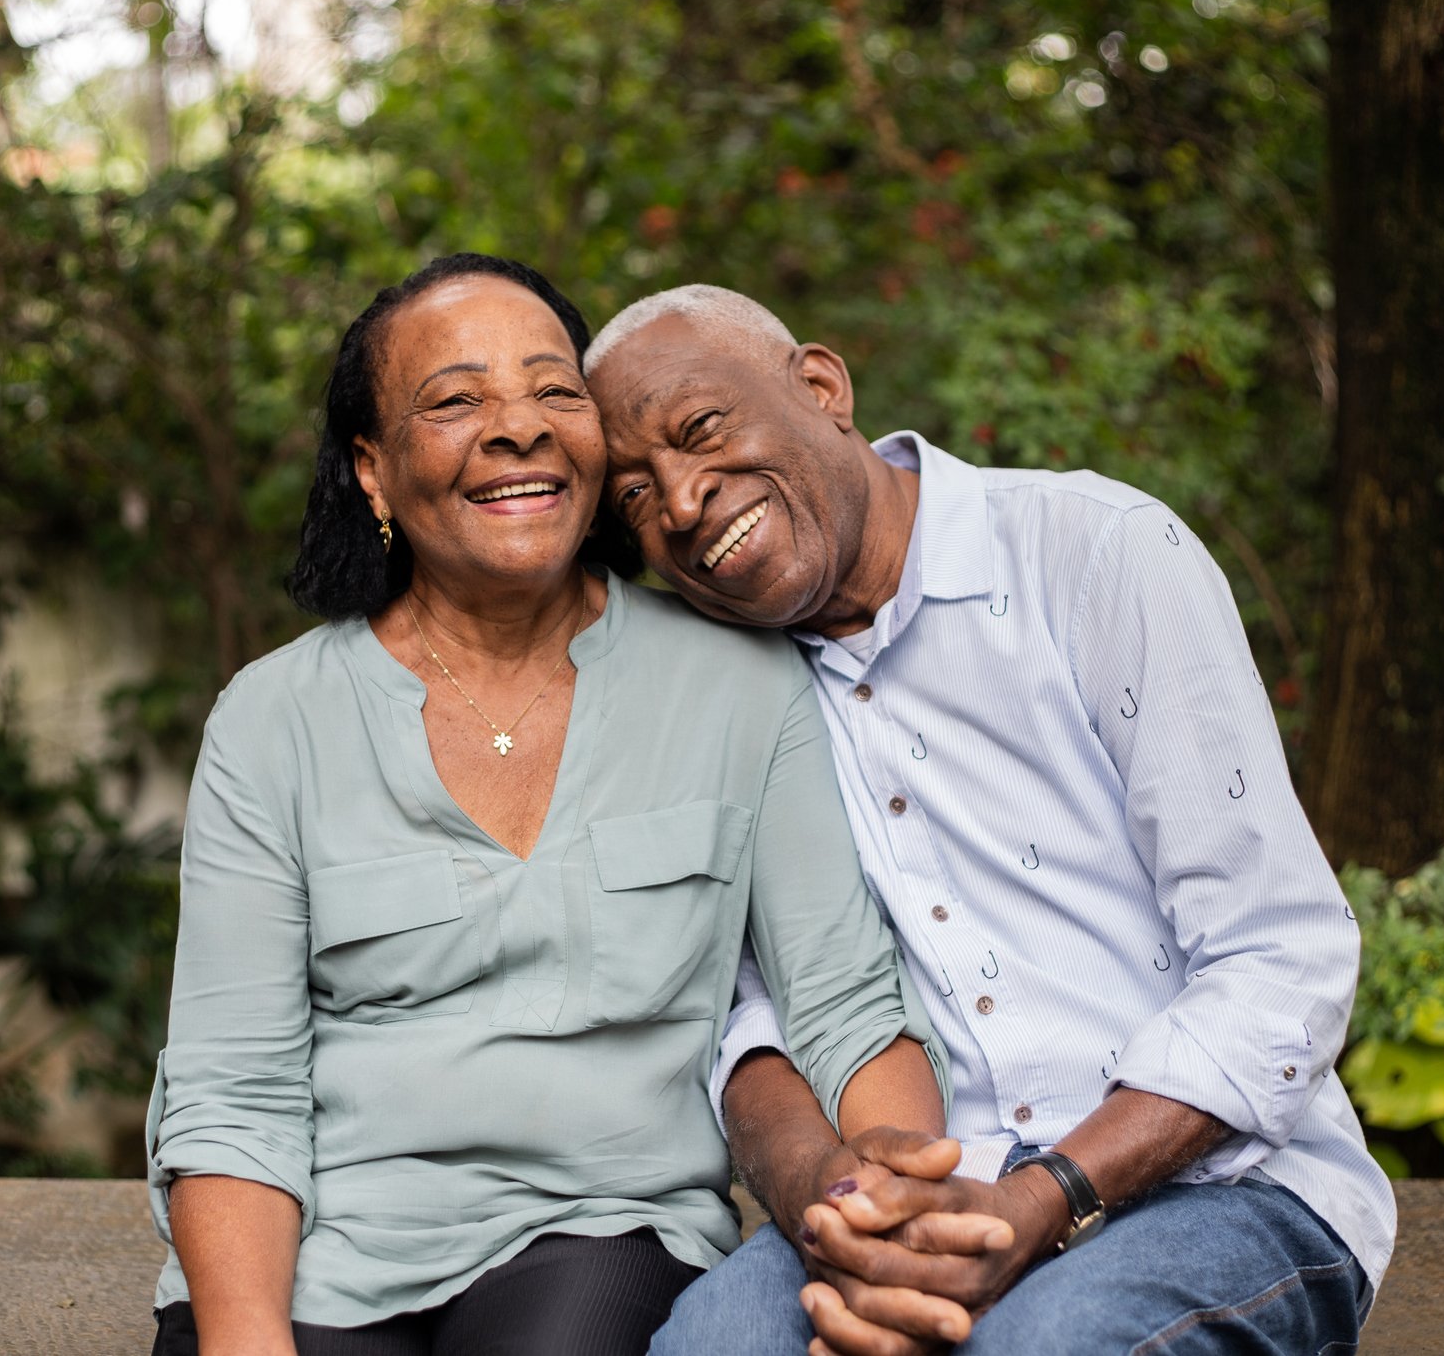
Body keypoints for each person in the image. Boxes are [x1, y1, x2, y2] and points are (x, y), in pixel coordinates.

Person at [143, 255, 951, 1356]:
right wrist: (247, 1339)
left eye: (553, 390)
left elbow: (844, 1005)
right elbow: (233, 1093)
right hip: (323, 1243)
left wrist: (895, 1204)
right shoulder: (272, 719)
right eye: (456, 399)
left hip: (604, 1224)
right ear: (373, 471)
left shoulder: (738, 686)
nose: (517, 427)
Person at [586, 285, 1397, 1356]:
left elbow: (1281, 962)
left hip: (1225, 1188)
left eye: (700, 431)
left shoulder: (1094, 554)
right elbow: (752, 1023)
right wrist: (845, 1210)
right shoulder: (729, 692)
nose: (682, 503)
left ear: (822, 387)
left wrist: (1044, 1198)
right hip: (926, 1189)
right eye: (637, 492)